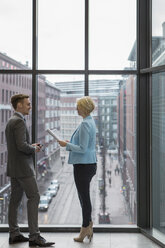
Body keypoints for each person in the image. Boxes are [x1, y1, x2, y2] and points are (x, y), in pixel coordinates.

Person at [5, 94, 55, 247]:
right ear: (19, 105)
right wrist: (33, 149)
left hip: (14, 167)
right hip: (23, 168)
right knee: (34, 197)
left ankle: (14, 233)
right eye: (27, 104)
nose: (30, 106)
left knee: (14, 200)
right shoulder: (19, 121)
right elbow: (21, 146)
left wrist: (30, 146)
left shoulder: (11, 121)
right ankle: (34, 236)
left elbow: (17, 145)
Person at [58, 96, 97, 243]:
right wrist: (70, 142)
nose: (76, 109)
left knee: (84, 198)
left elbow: (82, 148)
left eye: (78, 106)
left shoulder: (85, 124)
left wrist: (65, 145)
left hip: (83, 165)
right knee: (83, 197)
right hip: (88, 164)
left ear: (84, 108)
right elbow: (83, 144)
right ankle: (89, 225)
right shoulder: (89, 121)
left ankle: (85, 228)